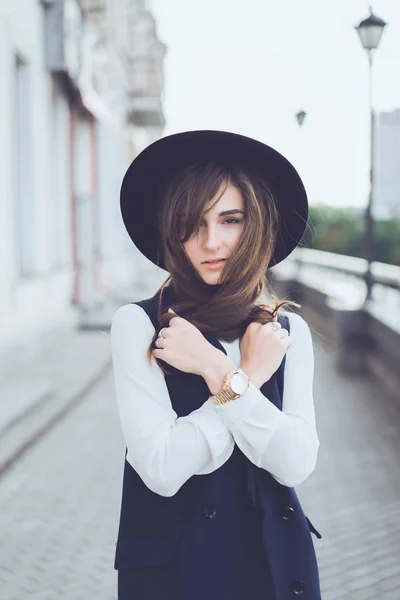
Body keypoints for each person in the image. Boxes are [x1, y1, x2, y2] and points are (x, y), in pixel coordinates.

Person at [110, 130, 322, 600]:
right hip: (178, 574)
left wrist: (216, 370)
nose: (211, 242)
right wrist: (244, 381)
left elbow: (295, 463)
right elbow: (161, 469)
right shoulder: (139, 325)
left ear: (258, 225)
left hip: (274, 567)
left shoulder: (286, 334)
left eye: (231, 220)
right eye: (193, 223)